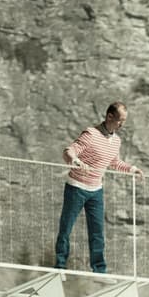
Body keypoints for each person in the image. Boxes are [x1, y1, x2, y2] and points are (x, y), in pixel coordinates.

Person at [54, 100, 140, 276]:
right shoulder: (91, 134)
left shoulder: (116, 141)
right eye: (119, 120)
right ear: (109, 116)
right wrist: (76, 161)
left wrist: (132, 169)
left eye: (124, 121)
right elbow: (69, 151)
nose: (122, 125)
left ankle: (99, 271)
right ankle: (60, 268)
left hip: (96, 191)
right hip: (76, 188)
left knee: (97, 233)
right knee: (66, 229)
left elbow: (114, 162)